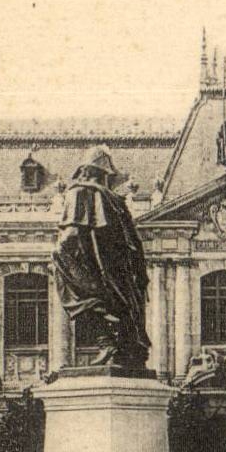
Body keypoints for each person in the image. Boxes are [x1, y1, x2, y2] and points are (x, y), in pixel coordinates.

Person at [53, 149, 150, 372]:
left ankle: (105, 341)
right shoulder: (116, 201)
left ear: (84, 171)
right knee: (115, 307)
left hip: (92, 268)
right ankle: (120, 347)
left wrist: (58, 254)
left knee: (72, 293)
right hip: (119, 274)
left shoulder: (79, 192)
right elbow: (135, 245)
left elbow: (71, 235)